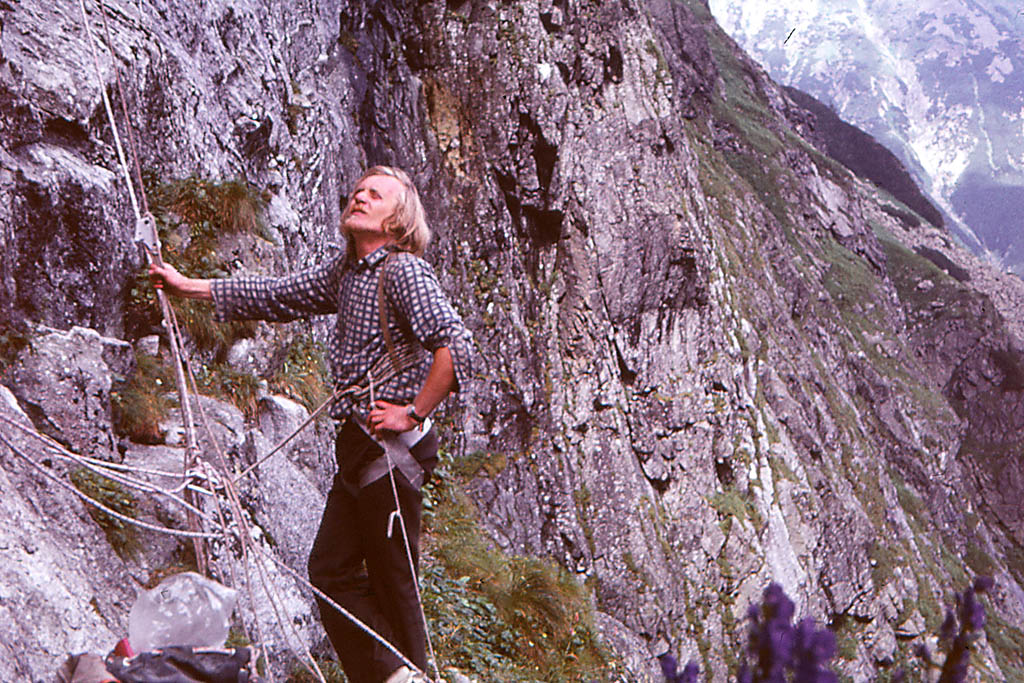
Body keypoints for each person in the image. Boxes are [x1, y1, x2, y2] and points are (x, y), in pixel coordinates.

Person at [149, 165, 472, 683]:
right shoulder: (347, 272)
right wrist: (188, 287)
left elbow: (454, 348)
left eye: (375, 195)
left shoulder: (404, 272)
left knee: (393, 581)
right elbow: (278, 294)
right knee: (329, 571)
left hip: (390, 448)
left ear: (398, 219)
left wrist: (412, 412)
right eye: (358, 190)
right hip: (362, 445)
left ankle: (410, 674)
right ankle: (394, 675)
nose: (359, 197)